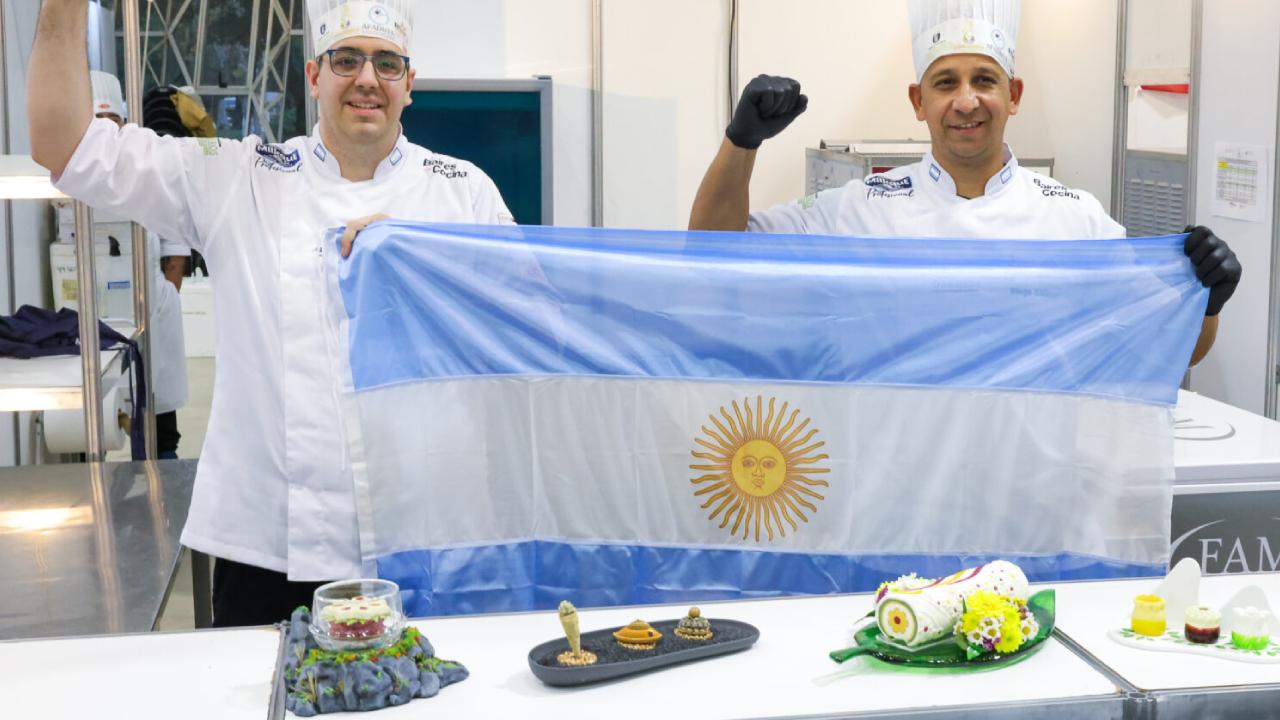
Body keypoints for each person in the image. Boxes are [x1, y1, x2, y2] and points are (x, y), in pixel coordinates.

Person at [30, 0, 515, 626]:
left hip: (427, 541)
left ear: (408, 84)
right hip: (269, 548)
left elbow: (516, 326)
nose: (367, 79)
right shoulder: (240, 177)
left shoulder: (463, 191)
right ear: (314, 76)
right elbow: (62, 144)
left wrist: (423, 259)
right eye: (347, 60)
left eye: (387, 63)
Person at [689, 0, 1240, 366]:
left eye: (985, 80)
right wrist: (742, 142)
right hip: (893, 493)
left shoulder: (1076, 219)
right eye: (945, 82)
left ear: (1014, 95)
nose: (967, 101)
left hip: (1030, 498)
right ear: (918, 102)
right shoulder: (856, 209)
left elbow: (1167, 348)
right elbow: (713, 252)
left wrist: (1206, 301)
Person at [88, 70, 191, 459]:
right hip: (95, 309)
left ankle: (162, 491)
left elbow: (175, 242)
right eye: (96, 123)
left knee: (157, 416)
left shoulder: (148, 167)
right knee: (97, 415)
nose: (104, 131)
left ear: (124, 122)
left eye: (110, 122)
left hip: (152, 309)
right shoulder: (77, 174)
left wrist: (164, 296)